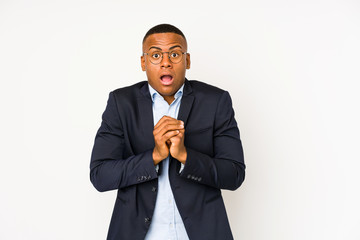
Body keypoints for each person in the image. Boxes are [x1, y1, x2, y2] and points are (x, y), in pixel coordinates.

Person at [90, 23, 246, 240]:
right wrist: (154, 156)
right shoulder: (121, 103)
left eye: (174, 54)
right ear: (143, 62)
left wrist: (185, 156)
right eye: (155, 55)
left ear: (187, 60)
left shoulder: (216, 101)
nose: (165, 62)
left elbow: (235, 173)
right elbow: (100, 175)